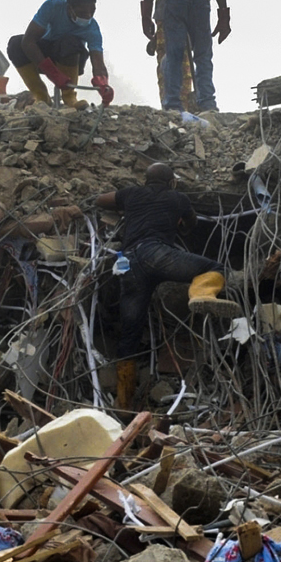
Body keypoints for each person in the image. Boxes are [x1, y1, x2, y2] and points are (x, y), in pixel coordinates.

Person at [95, 163, 241, 406]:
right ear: (171, 181)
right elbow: (191, 224)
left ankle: (123, 403)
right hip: (157, 254)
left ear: (146, 179)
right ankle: (202, 295)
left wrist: (126, 208)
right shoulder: (178, 197)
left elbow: (101, 200)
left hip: (127, 263)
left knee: (129, 334)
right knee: (213, 268)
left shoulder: (132, 193)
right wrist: (178, 222)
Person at [7, 0, 108, 109]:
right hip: (42, 57)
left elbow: (98, 63)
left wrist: (104, 85)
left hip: (71, 59)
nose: (88, 16)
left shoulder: (92, 29)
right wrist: (52, 73)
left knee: (69, 42)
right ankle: (41, 97)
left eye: (92, 11)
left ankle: (69, 97)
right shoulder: (52, 7)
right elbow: (28, 42)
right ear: (70, 7)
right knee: (15, 44)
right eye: (82, 12)